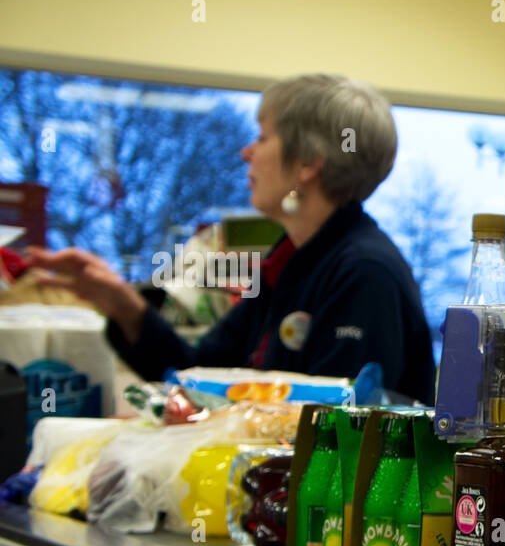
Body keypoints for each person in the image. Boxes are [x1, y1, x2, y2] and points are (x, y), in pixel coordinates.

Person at [27, 74, 436, 404]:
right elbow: (198, 376)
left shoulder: (364, 274)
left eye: (262, 137)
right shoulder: (288, 265)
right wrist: (124, 306)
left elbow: (335, 432)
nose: (246, 152)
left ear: (308, 163)